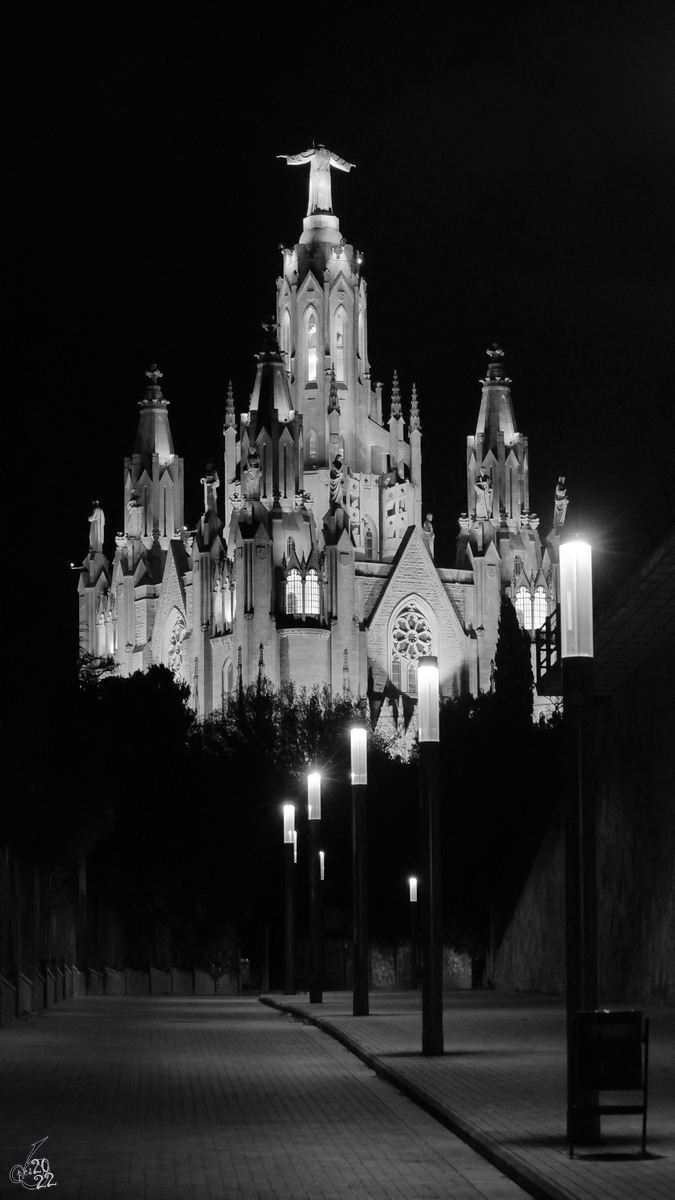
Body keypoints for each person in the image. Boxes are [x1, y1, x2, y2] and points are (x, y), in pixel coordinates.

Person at [278, 145, 355, 215]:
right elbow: (338, 160)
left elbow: (301, 157)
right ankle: (324, 209)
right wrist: (348, 165)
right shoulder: (328, 153)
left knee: (318, 193)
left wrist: (288, 157)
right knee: (323, 193)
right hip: (325, 176)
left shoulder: (314, 151)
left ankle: (318, 209)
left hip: (317, 176)